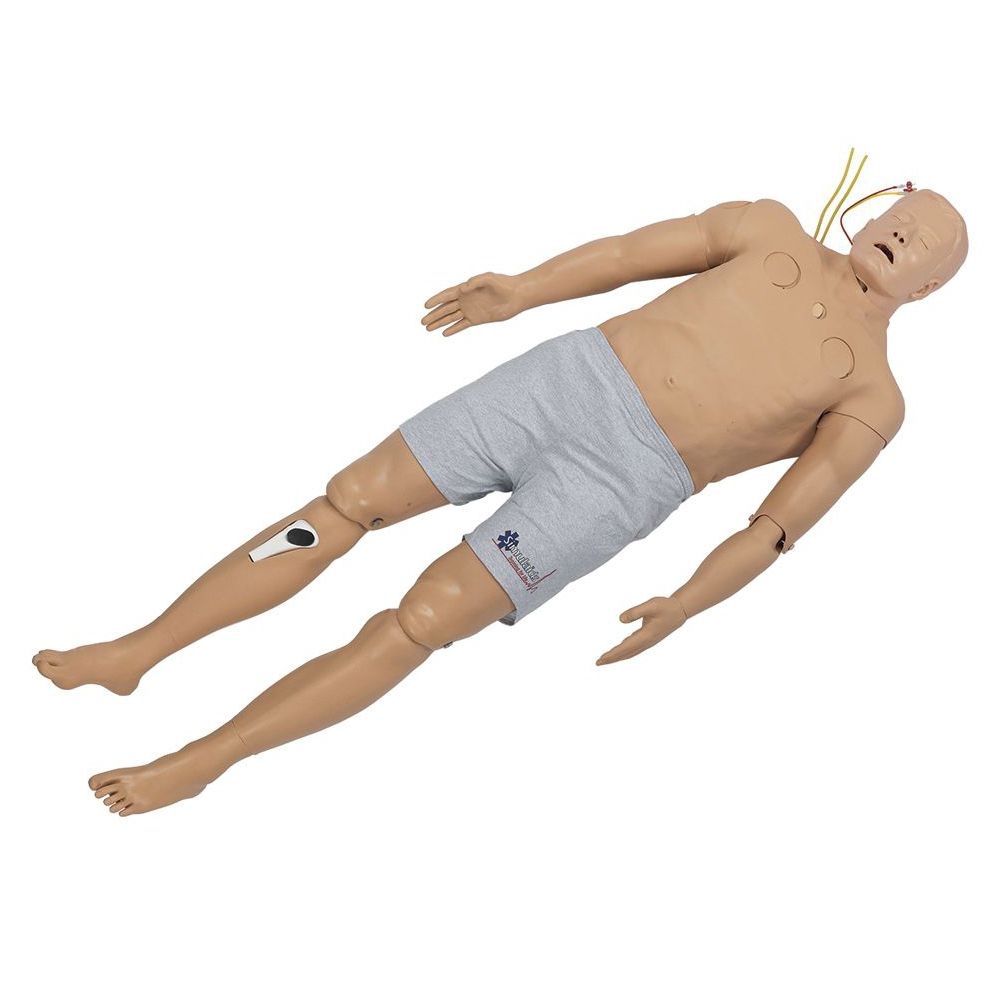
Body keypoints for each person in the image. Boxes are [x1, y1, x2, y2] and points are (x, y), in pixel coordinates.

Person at [33, 189, 969, 816]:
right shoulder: (767, 226)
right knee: (349, 499)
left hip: (622, 486)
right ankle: (137, 652)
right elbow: (628, 255)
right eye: (905, 215)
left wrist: (689, 601)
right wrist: (521, 290)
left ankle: (206, 758)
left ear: (931, 287)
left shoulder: (873, 396)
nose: (905, 235)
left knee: (422, 621)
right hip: (564, 380)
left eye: (926, 243)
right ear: (874, 208)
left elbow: (775, 529)